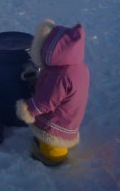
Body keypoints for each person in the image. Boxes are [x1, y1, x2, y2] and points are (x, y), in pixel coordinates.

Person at [16, 20, 90, 166]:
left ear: (51, 53)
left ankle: (52, 158)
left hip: (56, 124)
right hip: (70, 117)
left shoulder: (59, 77)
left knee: (52, 148)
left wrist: (28, 109)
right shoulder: (78, 67)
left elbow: (46, 101)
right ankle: (53, 148)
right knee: (54, 140)